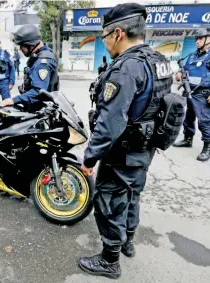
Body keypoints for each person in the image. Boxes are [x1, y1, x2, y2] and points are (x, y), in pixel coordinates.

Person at [78, 4, 173, 279]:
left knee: (109, 201)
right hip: (145, 149)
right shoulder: (158, 60)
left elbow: (111, 123)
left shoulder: (127, 69)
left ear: (118, 33)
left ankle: (109, 260)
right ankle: (128, 242)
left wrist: (90, 158)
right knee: (132, 194)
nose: (104, 41)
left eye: (104, 35)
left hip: (122, 150)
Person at [0, 24, 59, 109]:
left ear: (31, 45)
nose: (20, 49)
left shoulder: (42, 62)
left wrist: (13, 100)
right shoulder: (43, 53)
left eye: (22, 46)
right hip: (39, 107)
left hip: (41, 110)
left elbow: (37, 91)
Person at [173, 28, 210, 162]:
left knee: (204, 121)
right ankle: (188, 139)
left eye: (200, 38)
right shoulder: (192, 55)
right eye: (196, 39)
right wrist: (179, 74)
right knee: (188, 118)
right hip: (189, 91)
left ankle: (207, 147)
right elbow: (184, 69)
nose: (197, 41)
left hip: (203, 93)